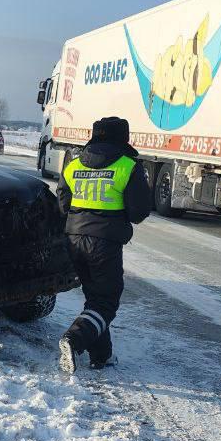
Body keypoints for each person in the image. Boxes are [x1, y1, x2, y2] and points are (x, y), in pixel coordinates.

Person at [55, 116, 151, 373]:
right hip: (104, 244)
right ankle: (74, 339)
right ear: (123, 138)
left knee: (95, 300)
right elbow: (139, 212)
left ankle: (102, 355)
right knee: (106, 302)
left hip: (73, 240)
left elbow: (63, 204)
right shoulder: (128, 166)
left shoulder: (74, 164)